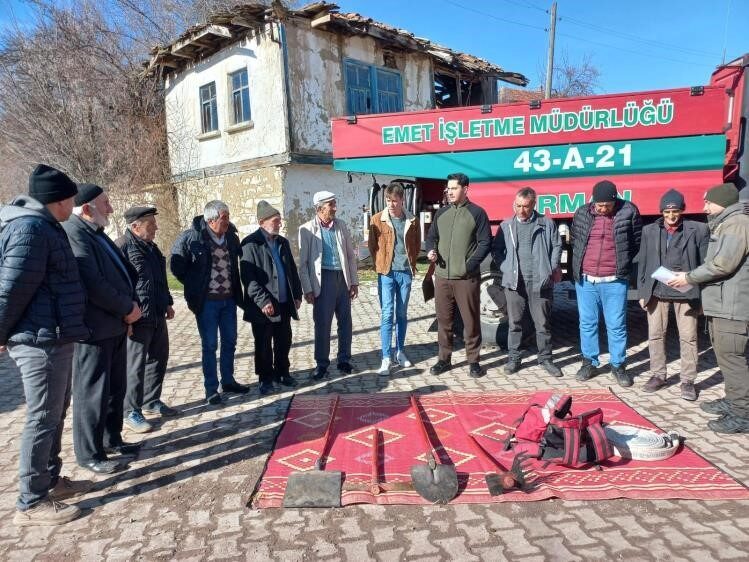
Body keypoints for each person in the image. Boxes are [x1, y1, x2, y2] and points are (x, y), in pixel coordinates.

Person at [0, 165, 91, 526]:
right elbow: (12, 288)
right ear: (58, 199)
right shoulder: (31, 229)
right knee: (42, 417)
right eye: (71, 197)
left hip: (53, 336)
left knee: (54, 412)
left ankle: (51, 480)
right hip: (40, 341)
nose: (74, 203)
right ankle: (32, 499)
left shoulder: (42, 226)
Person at [63, 184, 142, 475]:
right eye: (105, 203)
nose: (110, 209)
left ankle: (112, 439)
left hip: (114, 326)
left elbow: (120, 272)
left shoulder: (95, 232)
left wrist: (130, 305)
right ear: (86, 209)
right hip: (94, 330)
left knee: (114, 388)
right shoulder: (74, 233)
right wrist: (127, 307)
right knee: (92, 392)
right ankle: (89, 453)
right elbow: (94, 284)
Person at [669, 183, 749, 433]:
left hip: (732, 306)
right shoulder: (729, 222)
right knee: (727, 358)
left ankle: (742, 415)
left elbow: (723, 265)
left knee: (733, 360)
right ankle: (733, 401)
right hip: (724, 304)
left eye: (708, 202)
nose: (704, 206)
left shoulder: (737, 224)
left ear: (722, 202)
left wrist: (689, 277)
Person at [170, 200, 248, 405]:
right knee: (210, 345)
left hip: (229, 300)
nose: (228, 222)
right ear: (211, 220)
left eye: (228, 217)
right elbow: (177, 266)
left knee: (230, 341)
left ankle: (228, 380)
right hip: (207, 303)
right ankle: (211, 389)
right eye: (225, 218)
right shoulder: (192, 238)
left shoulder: (231, 237)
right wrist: (194, 284)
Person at [636, 189, 709, 401]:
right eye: (667, 213)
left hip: (686, 292)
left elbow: (705, 264)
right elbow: (643, 263)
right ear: (661, 212)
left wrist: (703, 295)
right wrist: (643, 292)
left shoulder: (698, 230)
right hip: (657, 291)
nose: (671, 217)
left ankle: (688, 380)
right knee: (656, 334)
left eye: (675, 211)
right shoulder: (649, 230)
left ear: (682, 210)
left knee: (688, 337)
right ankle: (658, 375)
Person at [571, 180, 642, 387]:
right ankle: (589, 362)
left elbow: (635, 242)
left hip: (615, 280)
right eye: (599, 205)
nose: (602, 209)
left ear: (615, 201)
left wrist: (622, 266)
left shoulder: (629, 211)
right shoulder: (582, 212)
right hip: (587, 280)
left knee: (616, 325)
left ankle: (618, 365)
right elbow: (575, 240)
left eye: (607, 206)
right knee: (587, 323)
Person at [117, 206, 178, 434]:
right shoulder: (122, 246)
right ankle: (130, 411)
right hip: (137, 317)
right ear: (135, 226)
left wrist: (169, 302)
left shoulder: (151, 247)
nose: (156, 228)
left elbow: (160, 279)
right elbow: (118, 284)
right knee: (135, 367)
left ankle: (151, 400)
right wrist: (126, 315)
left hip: (157, 313)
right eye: (151, 225)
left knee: (158, 359)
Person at [425, 172, 491, 378]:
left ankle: (474, 362)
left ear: (465, 189)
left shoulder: (477, 213)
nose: (449, 192)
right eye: (448, 188)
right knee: (444, 321)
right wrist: (430, 251)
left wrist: (468, 266)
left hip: (466, 278)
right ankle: (444, 359)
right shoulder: (441, 213)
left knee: (471, 321)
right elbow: (431, 237)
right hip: (443, 277)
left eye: (453, 188)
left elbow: (485, 242)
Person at [492, 187, 562, 377]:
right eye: (518, 205)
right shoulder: (506, 226)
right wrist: (505, 267)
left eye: (525, 206)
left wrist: (551, 267)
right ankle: (514, 358)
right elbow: (496, 250)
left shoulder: (546, 224)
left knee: (543, 324)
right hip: (515, 283)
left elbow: (557, 245)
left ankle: (546, 359)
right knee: (515, 323)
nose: (521, 210)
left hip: (540, 282)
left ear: (534, 204)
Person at [240, 201, 303, 395]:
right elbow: (248, 278)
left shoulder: (282, 242)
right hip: (264, 306)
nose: (279, 224)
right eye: (276, 221)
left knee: (284, 340)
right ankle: (265, 378)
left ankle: (282, 372)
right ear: (262, 222)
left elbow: (292, 270)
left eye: (279, 221)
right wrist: (262, 301)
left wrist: (297, 295)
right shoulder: (250, 244)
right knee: (263, 343)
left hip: (284, 302)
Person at [298, 191, 359, 380]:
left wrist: (354, 281)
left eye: (334, 204)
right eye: (331, 205)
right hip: (322, 281)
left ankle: (344, 360)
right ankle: (322, 364)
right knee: (323, 324)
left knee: (345, 322)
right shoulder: (307, 229)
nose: (334, 208)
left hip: (342, 278)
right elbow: (304, 264)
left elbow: (350, 256)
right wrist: (307, 288)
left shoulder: (340, 225)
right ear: (320, 208)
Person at [368, 182, 421, 374]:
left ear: (402, 200)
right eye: (388, 201)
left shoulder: (412, 220)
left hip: (405, 272)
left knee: (401, 314)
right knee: (387, 314)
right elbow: (373, 247)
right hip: (386, 273)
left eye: (395, 201)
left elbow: (415, 246)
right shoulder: (376, 219)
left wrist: (411, 265)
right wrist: (381, 265)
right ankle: (385, 357)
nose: (391, 204)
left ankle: (400, 352)